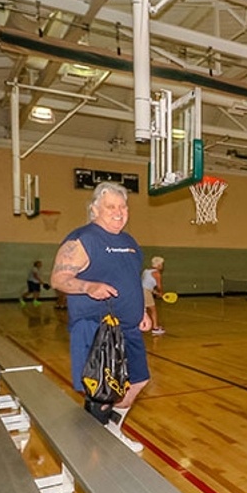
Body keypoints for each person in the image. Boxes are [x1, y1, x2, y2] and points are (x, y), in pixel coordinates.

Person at [49, 181, 150, 453]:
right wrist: (87, 287)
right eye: (110, 207)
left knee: (138, 380)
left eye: (122, 206)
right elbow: (58, 278)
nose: (118, 212)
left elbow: (132, 279)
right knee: (102, 390)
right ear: (94, 209)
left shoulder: (130, 243)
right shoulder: (83, 239)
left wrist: (141, 310)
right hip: (96, 327)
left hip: (128, 326)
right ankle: (88, 454)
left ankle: (111, 428)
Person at [142, 256, 166, 335]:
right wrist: (161, 293)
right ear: (159, 265)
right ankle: (155, 328)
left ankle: (141, 325)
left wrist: (156, 293)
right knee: (153, 310)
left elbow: (146, 284)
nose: (162, 266)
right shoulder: (157, 273)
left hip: (140, 291)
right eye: (162, 264)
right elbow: (159, 286)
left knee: (142, 310)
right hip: (146, 292)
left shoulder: (146, 271)